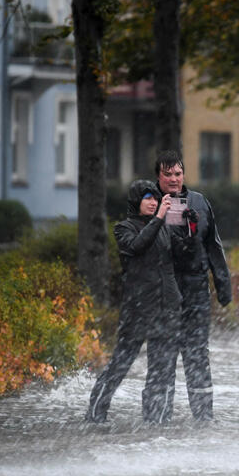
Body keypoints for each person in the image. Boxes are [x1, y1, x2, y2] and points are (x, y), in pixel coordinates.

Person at [86, 179, 181, 423]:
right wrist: (160, 218)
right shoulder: (124, 228)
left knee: (161, 370)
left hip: (166, 309)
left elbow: (185, 251)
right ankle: (95, 415)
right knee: (121, 363)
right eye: (147, 198)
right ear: (136, 201)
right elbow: (137, 246)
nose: (153, 202)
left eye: (155, 198)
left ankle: (156, 420)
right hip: (137, 310)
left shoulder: (165, 227)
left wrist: (186, 219)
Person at [154, 149, 232, 421]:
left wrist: (223, 283)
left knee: (197, 353)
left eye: (177, 173)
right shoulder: (149, 202)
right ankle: (157, 419)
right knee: (163, 353)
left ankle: (203, 418)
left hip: (196, 289)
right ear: (158, 176)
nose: (173, 179)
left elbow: (214, 246)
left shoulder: (199, 202)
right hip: (164, 292)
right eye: (167, 174)